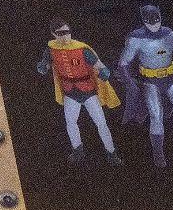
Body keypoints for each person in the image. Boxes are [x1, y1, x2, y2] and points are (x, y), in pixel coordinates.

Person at [118, 4, 173, 168]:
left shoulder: (170, 35)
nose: (154, 25)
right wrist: (130, 84)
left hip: (169, 78)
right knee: (156, 116)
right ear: (144, 21)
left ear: (160, 18)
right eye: (150, 21)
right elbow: (123, 64)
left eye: (156, 20)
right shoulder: (136, 39)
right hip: (149, 81)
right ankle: (158, 152)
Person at [37, 16, 122, 166]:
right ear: (53, 34)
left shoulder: (81, 49)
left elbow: (98, 64)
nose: (65, 36)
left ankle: (111, 153)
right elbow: (45, 64)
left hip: (88, 91)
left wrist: (104, 71)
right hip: (70, 93)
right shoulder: (51, 50)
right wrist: (43, 67)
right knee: (70, 123)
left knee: (101, 123)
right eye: (61, 33)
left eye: (67, 32)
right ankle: (78, 151)